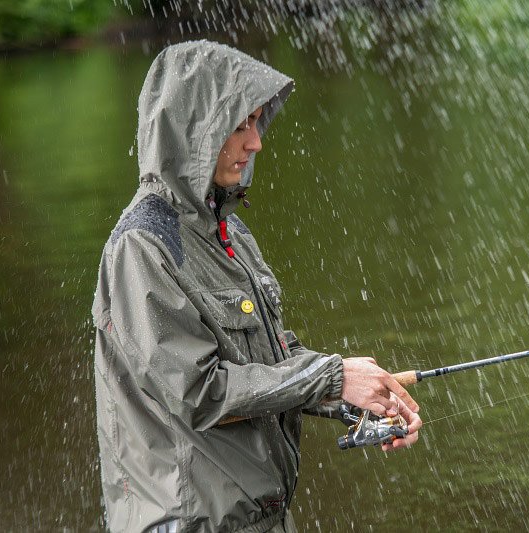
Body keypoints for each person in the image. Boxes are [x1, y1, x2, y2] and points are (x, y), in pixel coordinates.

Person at [92, 40, 422, 533]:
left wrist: (359, 397)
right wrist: (332, 376)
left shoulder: (232, 234)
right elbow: (199, 392)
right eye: (240, 125)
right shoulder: (142, 247)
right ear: (194, 131)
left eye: (256, 122)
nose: (256, 142)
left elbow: (270, 366)